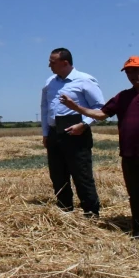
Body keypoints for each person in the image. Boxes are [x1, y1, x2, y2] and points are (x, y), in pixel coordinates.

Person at [60, 56, 139, 245]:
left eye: (135, 70)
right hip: (130, 155)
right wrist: (76, 107)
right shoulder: (123, 97)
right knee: (135, 194)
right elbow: (101, 114)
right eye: (128, 72)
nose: (132, 75)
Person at [40, 48, 105, 218]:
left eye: (52, 62)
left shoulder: (84, 80)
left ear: (65, 63)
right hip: (55, 132)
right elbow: (45, 107)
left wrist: (84, 125)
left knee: (81, 174)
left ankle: (91, 212)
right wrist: (46, 133)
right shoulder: (49, 82)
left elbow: (100, 108)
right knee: (57, 174)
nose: (49, 65)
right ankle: (64, 210)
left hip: (77, 132)